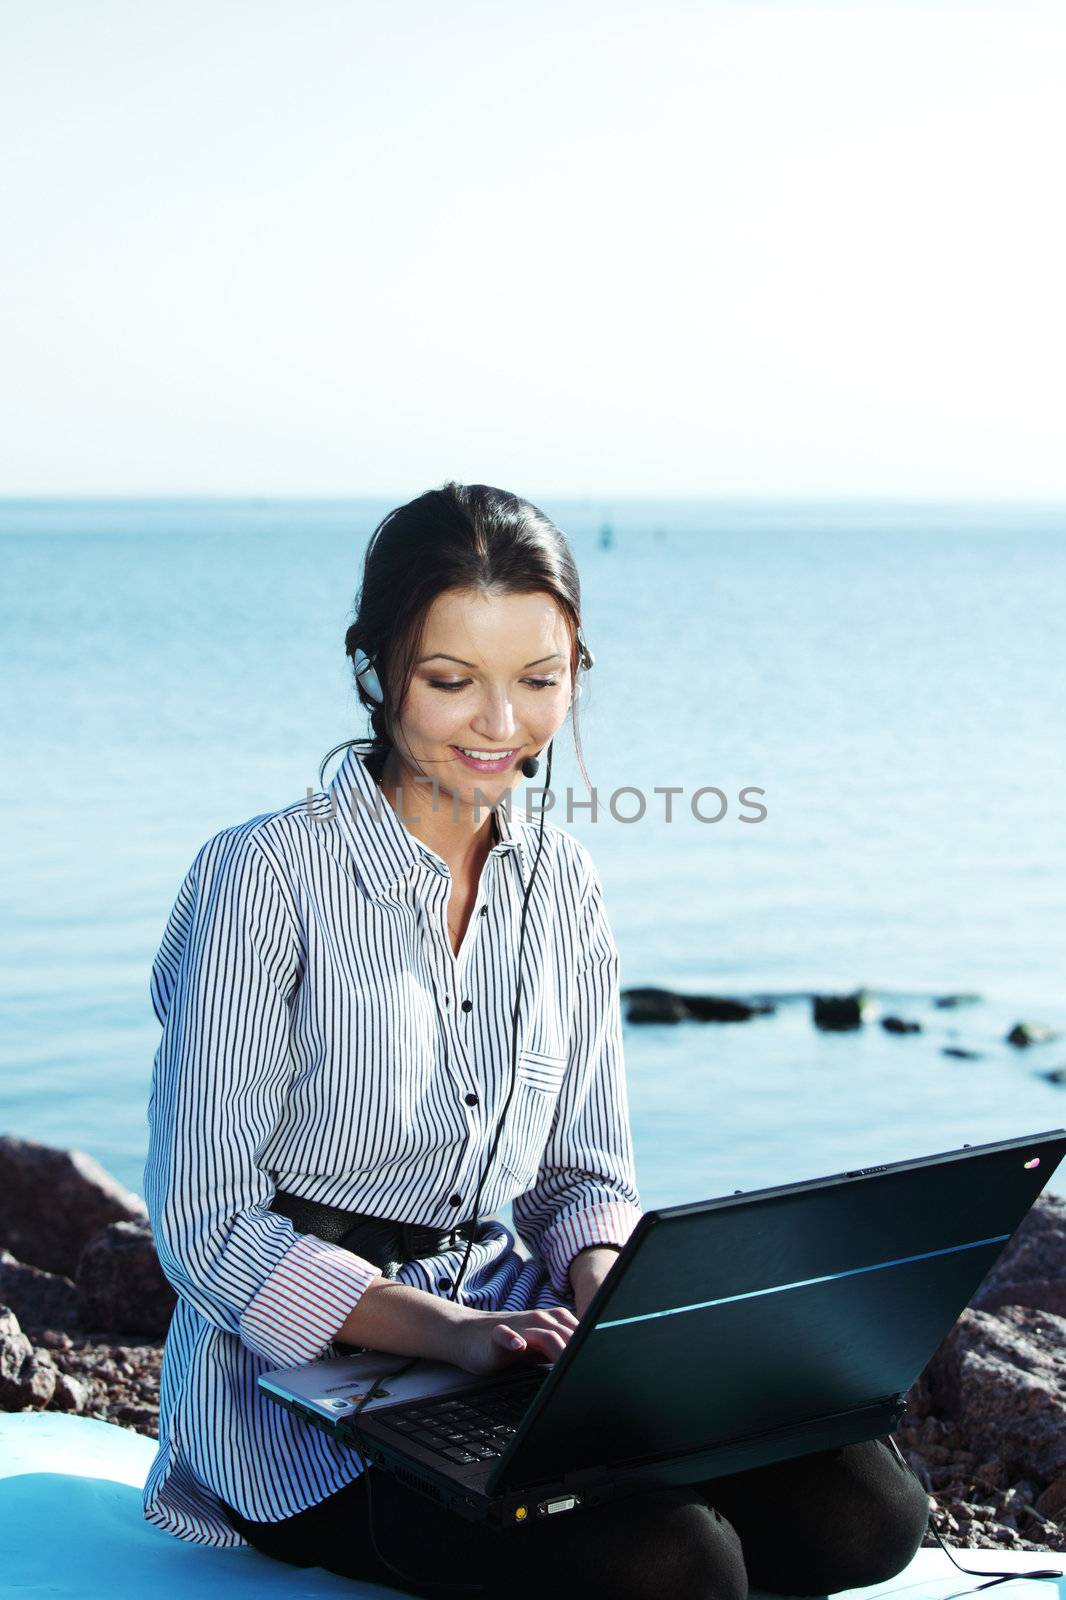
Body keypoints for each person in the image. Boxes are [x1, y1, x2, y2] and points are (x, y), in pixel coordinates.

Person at [142, 482, 930, 1598]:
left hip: (519, 1341)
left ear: (577, 672)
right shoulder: (262, 879)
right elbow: (205, 1225)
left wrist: (611, 1300)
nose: (500, 725)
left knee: (867, 1512)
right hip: (304, 1394)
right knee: (677, 1561)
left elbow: (581, 1173)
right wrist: (445, 1331)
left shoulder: (563, 879)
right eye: (451, 680)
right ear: (374, 670)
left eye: (539, 680)